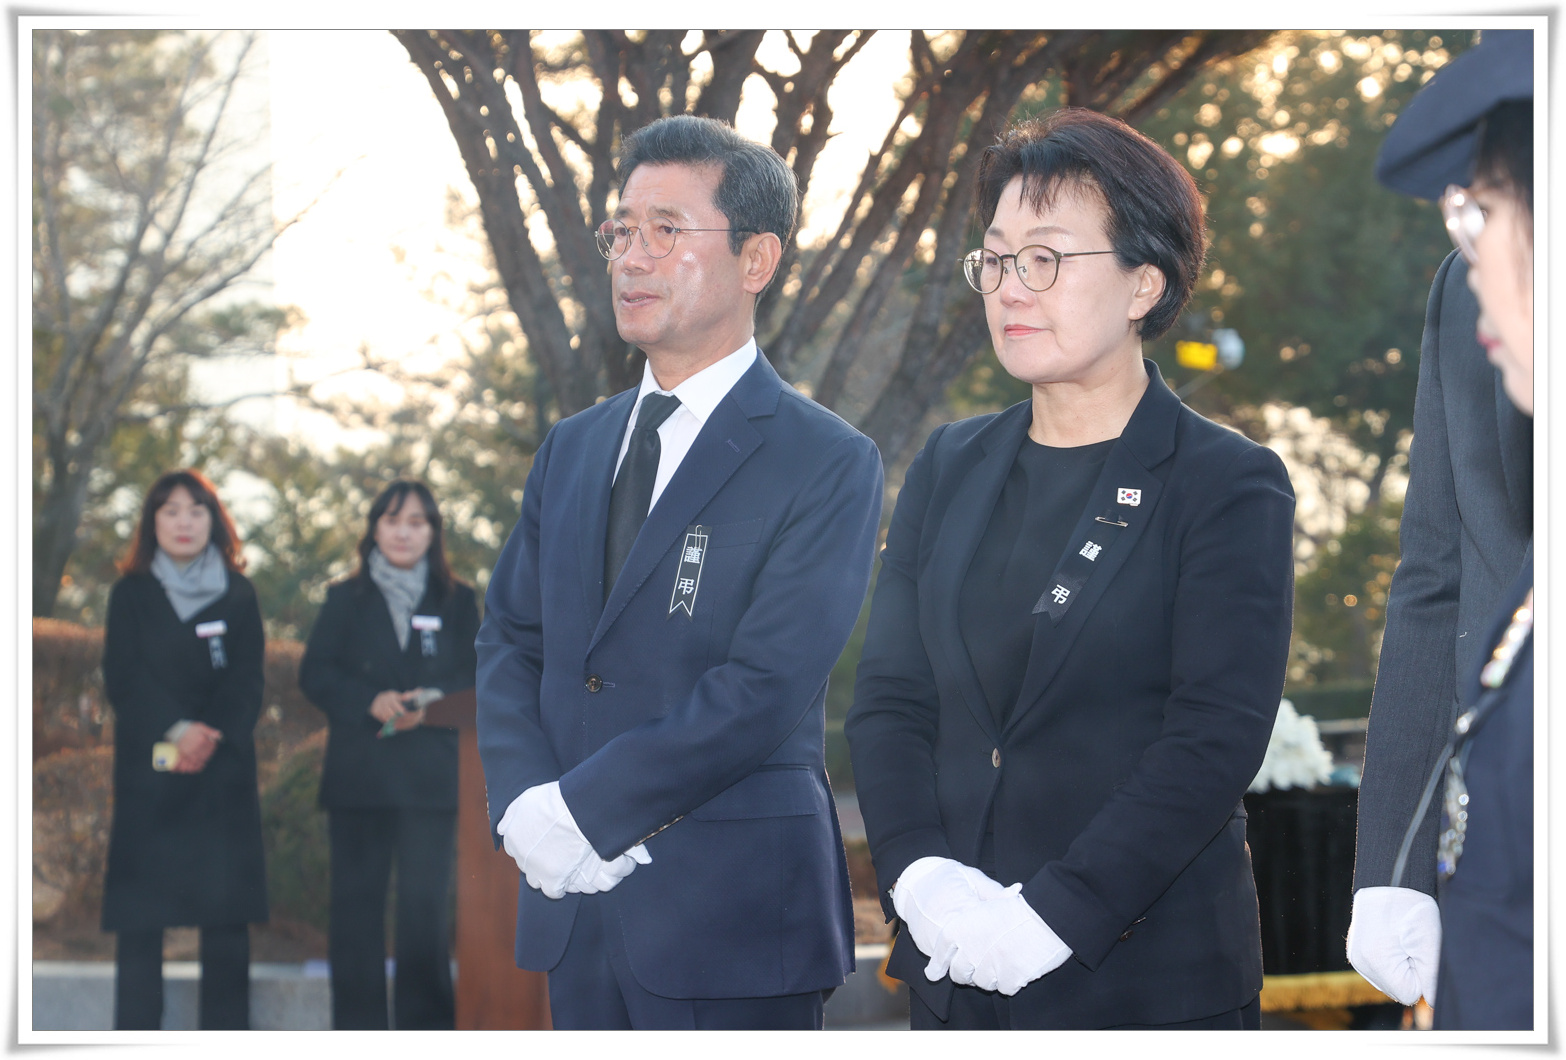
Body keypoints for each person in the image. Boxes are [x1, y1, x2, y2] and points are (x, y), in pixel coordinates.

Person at [844, 108, 1297, 1030]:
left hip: (1146, 980)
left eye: (1045, 258)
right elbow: (890, 698)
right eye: (995, 259)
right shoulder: (949, 465)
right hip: (956, 966)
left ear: (1143, 283)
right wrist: (920, 876)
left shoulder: (1225, 480)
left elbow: (1212, 738)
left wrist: (1056, 914)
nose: (1011, 287)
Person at [474, 114, 883, 1030]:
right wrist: (528, 807)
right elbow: (511, 639)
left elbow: (765, 684)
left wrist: (585, 813)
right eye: (622, 230)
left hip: (733, 916)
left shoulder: (825, 459)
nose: (632, 256)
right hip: (571, 901)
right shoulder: (574, 448)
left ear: (756, 259)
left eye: (666, 230)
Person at [1347, 28, 1534, 1030]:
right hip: (1494, 859)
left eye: (1485, 208)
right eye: (1469, 211)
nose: (1472, 248)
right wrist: (1395, 858)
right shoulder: (1464, 295)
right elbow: (1436, 573)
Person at [298, 480, 479, 1029]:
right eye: (393, 520)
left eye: (417, 522)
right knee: (356, 917)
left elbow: (480, 676)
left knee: (425, 916)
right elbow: (315, 673)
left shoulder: (458, 600)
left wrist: (433, 700)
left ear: (434, 532)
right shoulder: (344, 598)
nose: (404, 532)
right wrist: (366, 700)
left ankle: (426, 1036)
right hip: (360, 781)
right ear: (374, 528)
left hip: (429, 783)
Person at [101, 469, 267, 1029]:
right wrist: (176, 730)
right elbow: (123, 676)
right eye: (170, 510)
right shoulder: (130, 593)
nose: (183, 522)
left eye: (196, 510)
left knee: (226, 925)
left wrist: (207, 734)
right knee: (140, 925)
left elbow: (248, 681)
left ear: (214, 521)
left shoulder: (239, 594)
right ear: (152, 523)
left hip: (222, 777)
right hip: (150, 777)